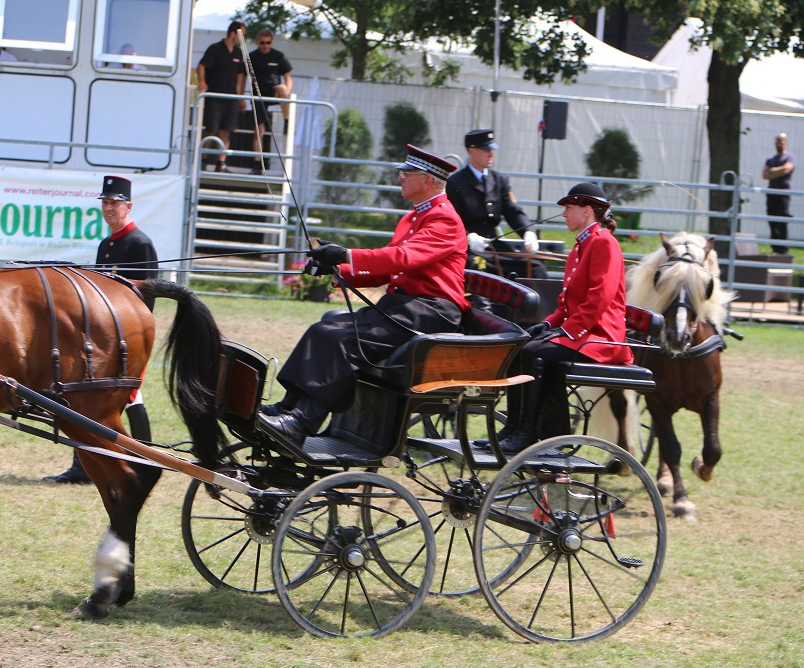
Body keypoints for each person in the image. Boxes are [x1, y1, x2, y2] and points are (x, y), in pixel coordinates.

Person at [258, 146, 470, 446]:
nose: (400, 178)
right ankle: (289, 409)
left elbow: (402, 258)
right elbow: (389, 272)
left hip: (431, 312)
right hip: (405, 306)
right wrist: (338, 268)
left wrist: (346, 254)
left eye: (406, 174)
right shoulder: (412, 218)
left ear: (426, 180)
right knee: (322, 330)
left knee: (343, 340)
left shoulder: (444, 220)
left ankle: (301, 421)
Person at [490, 182, 631, 454]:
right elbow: (566, 305)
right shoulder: (581, 247)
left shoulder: (604, 243)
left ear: (587, 211)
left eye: (569, 208)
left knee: (535, 354)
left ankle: (529, 433)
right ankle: (517, 428)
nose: (564, 214)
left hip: (602, 338)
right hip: (584, 333)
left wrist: (567, 332)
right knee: (521, 346)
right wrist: (548, 324)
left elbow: (598, 300)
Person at [45, 175, 159, 484]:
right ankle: (83, 467)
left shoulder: (140, 243)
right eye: (105, 203)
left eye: (114, 203)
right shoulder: (107, 244)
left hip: (129, 335)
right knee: (84, 394)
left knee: (131, 395)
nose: (109, 208)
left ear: (128, 206)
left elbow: (146, 296)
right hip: (102, 335)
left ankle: (145, 457)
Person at [446, 129, 547, 280]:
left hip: (493, 244)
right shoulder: (455, 182)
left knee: (536, 268)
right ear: (471, 151)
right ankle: (481, 304)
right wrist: (468, 237)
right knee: (477, 266)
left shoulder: (499, 180)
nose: (491, 153)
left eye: (492, 149)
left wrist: (528, 232)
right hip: (468, 246)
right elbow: (452, 221)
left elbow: (513, 211)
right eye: (486, 149)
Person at [196, 21, 247, 173]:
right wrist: (202, 81)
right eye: (241, 35)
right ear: (233, 33)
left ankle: (221, 163)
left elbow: (240, 74)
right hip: (215, 97)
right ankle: (203, 161)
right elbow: (201, 66)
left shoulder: (238, 53)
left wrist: (241, 96)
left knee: (227, 131)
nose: (242, 39)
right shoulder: (215, 49)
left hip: (231, 98)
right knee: (211, 130)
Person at [247, 28, 293, 175]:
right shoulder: (252, 57)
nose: (265, 45)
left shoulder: (278, 56)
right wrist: (241, 94)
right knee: (259, 130)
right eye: (262, 43)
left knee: (282, 88)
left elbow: (288, 78)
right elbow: (242, 76)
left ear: (271, 42)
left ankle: (287, 121)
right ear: (258, 42)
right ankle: (257, 164)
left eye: (268, 43)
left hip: (273, 92)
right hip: (258, 94)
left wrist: (287, 92)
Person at [762, 132, 794, 254]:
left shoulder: (789, 157)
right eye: (777, 141)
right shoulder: (770, 159)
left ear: (785, 143)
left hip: (783, 193)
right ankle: (775, 249)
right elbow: (764, 175)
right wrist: (778, 171)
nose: (779, 143)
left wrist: (773, 171)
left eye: (781, 141)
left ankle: (783, 250)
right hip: (771, 193)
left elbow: (787, 169)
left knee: (782, 220)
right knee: (772, 220)